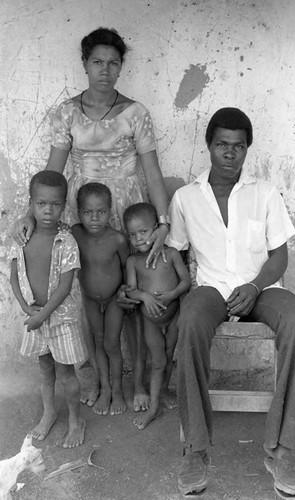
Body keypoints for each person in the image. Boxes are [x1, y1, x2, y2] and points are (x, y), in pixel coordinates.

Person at [12, 27, 170, 411]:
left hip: (126, 213)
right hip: (84, 213)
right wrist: (28, 214)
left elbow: (152, 172)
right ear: (84, 64)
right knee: (85, 295)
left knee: (129, 296)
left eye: (113, 63)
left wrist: (163, 222)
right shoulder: (66, 112)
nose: (105, 69)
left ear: (121, 68)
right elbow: (53, 169)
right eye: (97, 62)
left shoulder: (136, 113)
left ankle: (135, 383)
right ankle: (94, 378)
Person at [166, 107, 295, 498]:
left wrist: (254, 285)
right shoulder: (185, 198)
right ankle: (195, 450)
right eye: (221, 145)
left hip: (263, 288)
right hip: (212, 288)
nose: (230, 154)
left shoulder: (264, 193)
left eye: (238, 147)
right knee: (191, 319)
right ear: (208, 145)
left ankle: (282, 449)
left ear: (247, 149)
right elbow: (176, 250)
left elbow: (280, 256)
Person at [9, 170, 87, 448]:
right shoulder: (22, 238)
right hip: (34, 317)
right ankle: (49, 412)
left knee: (66, 373)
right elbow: (14, 276)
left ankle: (76, 420)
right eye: (41, 204)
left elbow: (65, 287)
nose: (48, 210)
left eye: (55, 205)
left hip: (60, 320)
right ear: (31, 203)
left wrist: (42, 315)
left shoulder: (66, 241)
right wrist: (26, 309)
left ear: (64, 205)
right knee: (45, 370)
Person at [123, 203, 191, 430]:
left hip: (173, 316)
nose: (139, 239)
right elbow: (130, 290)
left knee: (170, 354)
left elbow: (186, 282)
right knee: (159, 361)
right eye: (132, 235)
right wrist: (144, 296)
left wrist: (171, 294)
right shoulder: (133, 262)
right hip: (150, 320)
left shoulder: (171, 255)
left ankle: (163, 391)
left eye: (143, 232)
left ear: (157, 229)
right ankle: (153, 408)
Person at [72, 183, 129, 416]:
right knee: (97, 342)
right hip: (91, 299)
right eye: (87, 212)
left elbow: (127, 266)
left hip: (115, 298)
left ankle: (118, 391)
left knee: (111, 345)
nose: (94, 218)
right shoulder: (75, 233)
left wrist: (126, 291)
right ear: (79, 213)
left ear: (110, 211)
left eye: (101, 212)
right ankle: (104, 389)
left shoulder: (118, 240)